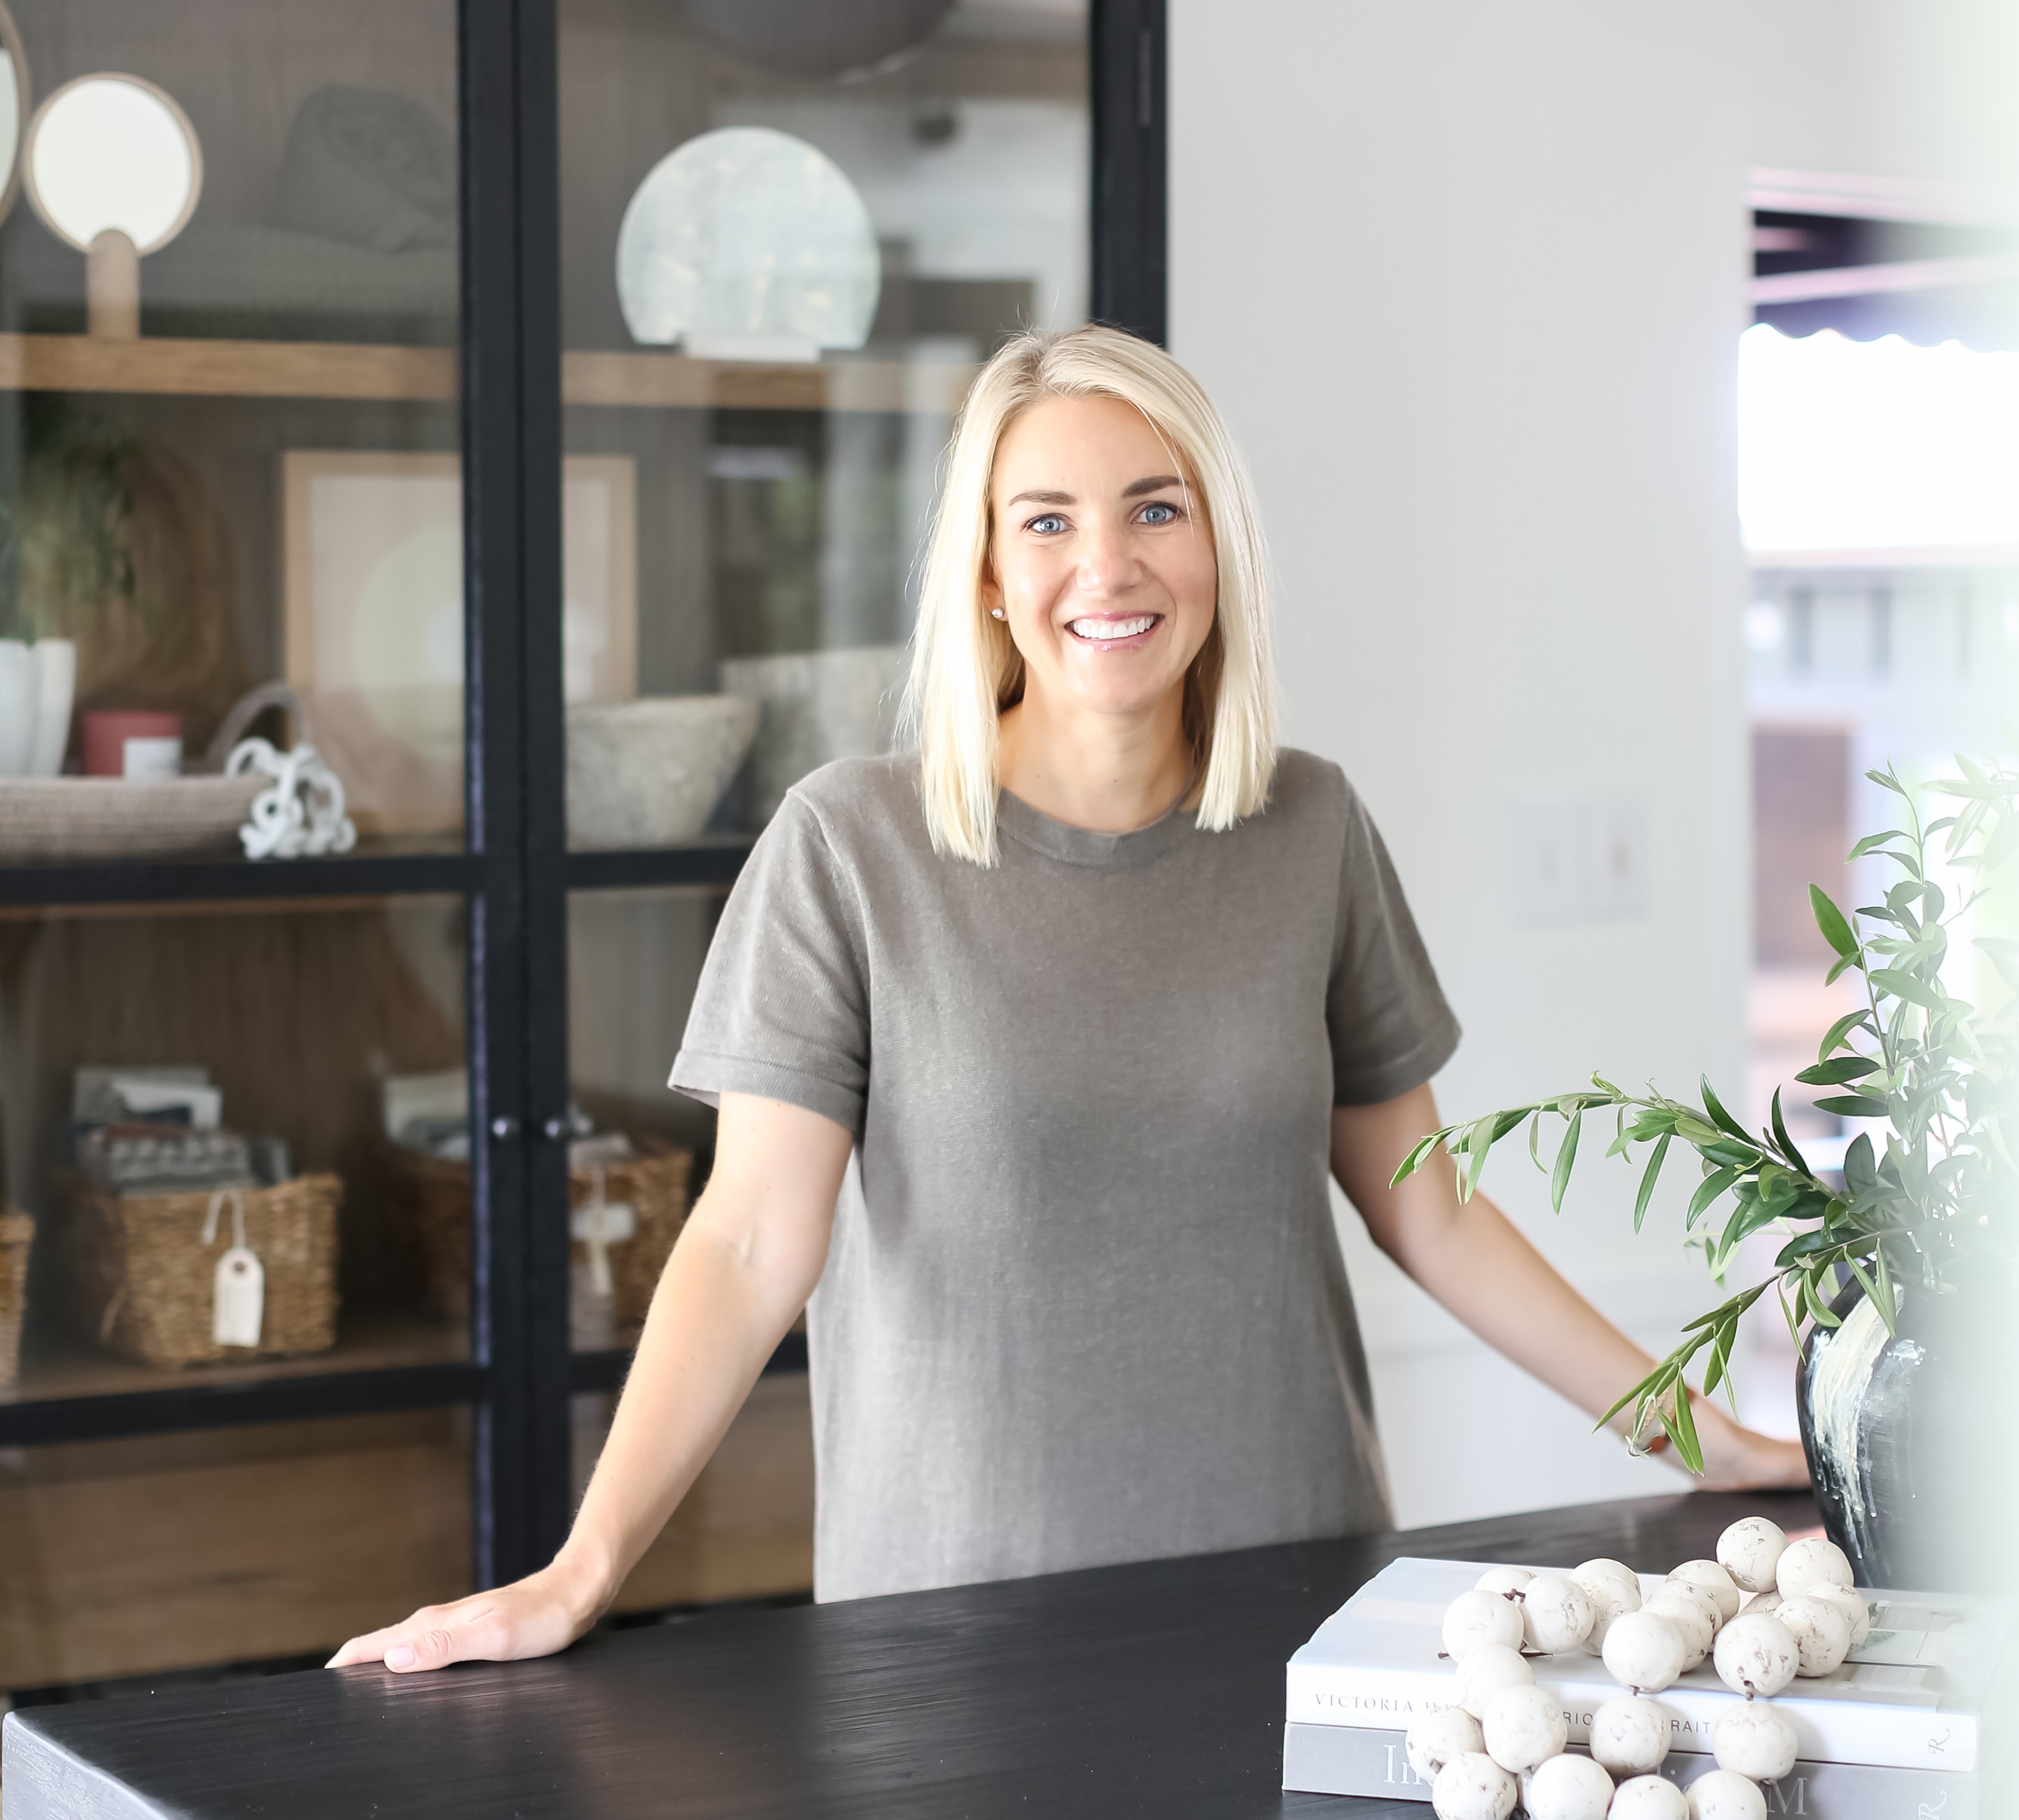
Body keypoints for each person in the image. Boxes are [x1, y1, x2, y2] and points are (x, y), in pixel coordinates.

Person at [331, 327, 1805, 1676]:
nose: (1108, 567)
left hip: (1297, 1601)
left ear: (1219, 545)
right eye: (1047, 522)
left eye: (1156, 509)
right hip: (952, 1632)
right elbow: (746, 1238)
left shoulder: (1313, 832)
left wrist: (1709, 1435)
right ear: (985, 570)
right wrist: (581, 1574)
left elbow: (1432, 1209)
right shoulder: (851, 845)